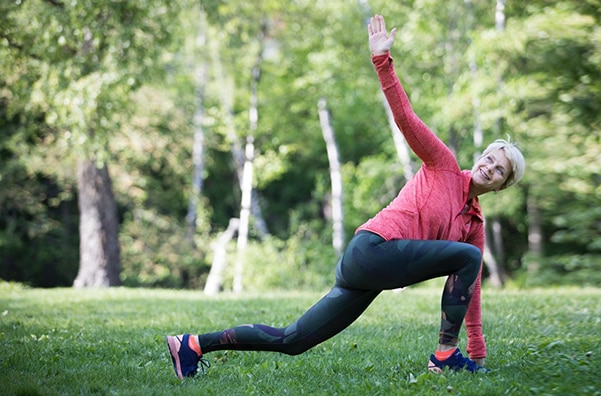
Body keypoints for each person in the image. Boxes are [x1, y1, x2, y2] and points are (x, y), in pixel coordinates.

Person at [166, 14, 525, 379]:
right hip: (373, 250)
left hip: (376, 271)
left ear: (501, 185)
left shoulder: (473, 222)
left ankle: (192, 345)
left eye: (499, 171)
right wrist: (382, 60)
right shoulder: (443, 165)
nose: (489, 168)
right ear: (480, 158)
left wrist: (478, 348)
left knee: (294, 339)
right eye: (489, 159)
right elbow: (406, 118)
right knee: (467, 257)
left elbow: (472, 287)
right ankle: (445, 356)